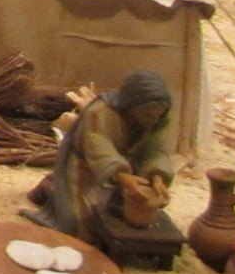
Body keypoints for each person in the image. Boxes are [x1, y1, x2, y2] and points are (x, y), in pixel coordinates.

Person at [29, 68, 175, 240]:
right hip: (86, 168)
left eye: (159, 113)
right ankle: (51, 188)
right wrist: (121, 175)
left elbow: (157, 151)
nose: (153, 118)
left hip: (129, 173)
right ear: (132, 104)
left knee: (128, 212)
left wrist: (157, 176)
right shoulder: (101, 111)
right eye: (148, 112)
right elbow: (98, 147)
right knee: (77, 223)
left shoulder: (157, 122)